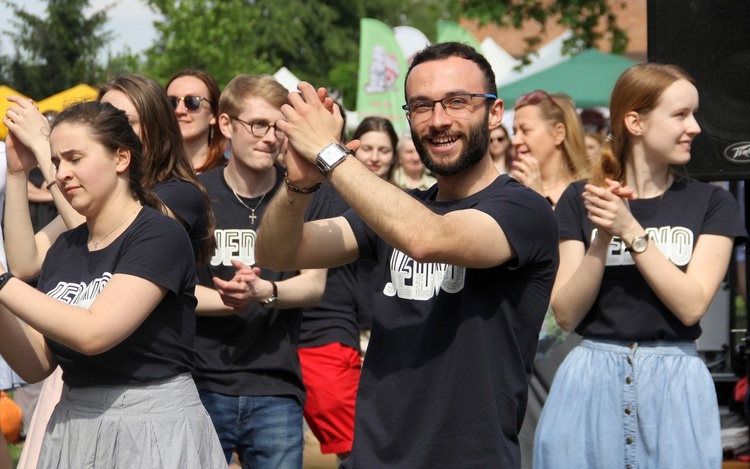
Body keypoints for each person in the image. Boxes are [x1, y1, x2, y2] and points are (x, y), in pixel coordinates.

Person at [255, 41, 559, 467]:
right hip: (375, 455)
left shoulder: (522, 210)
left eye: (457, 102)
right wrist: (299, 184)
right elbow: (279, 253)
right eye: (420, 106)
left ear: (493, 113)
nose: (438, 121)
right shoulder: (398, 206)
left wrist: (329, 153)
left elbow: (427, 238)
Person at [534, 63, 748, 468]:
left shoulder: (712, 203)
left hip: (675, 384)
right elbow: (565, 313)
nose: (697, 127)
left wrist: (630, 229)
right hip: (591, 382)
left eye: (695, 114)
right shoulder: (582, 200)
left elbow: (691, 305)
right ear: (635, 121)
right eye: (681, 114)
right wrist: (603, 236)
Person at [4, 73, 216, 468]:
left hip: (150, 428)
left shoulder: (159, 233)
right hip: (73, 424)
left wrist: (1, 282)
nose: (59, 174)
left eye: (74, 159)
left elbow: (93, 332)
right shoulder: (68, 244)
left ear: (122, 157)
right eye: (54, 162)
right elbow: (36, 363)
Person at [193, 74, 327, 469]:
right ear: (225, 125)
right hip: (203, 382)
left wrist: (263, 292)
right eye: (257, 125)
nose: (269, 137)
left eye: (277, 127)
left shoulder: (301, 194)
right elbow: (175, 290)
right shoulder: (195, 195)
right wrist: (226, 300)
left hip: (275, 385)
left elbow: (314, 286)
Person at [511, 91, 590, 207]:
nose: (515, 141)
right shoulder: (511, 190)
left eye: (525, 130)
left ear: (558, 133)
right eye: (514, 132)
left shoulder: (588, 192)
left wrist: (537, 198)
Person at [166, 69, 227, 173]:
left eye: (192, 102)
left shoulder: (230, 176)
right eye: (171, 102)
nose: (179, 110)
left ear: (214, 114)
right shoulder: (146, 173)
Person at [350, 116, 397, 180]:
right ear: (354, 151)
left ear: (394, 156)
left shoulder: (401, 190)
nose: (374, 158)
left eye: (384, 151)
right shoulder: (334, 188)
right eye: (367, 149)